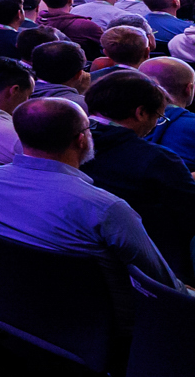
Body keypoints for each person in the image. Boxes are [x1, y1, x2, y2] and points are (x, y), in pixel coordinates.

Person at [0, 97, 181, 318]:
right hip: (94, 321)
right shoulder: (106, 208)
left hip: (5, 306)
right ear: (82, 139)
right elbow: (162, 284)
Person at [82, 69, 195, 277]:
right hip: (152, 266)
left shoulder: (62, 142)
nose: (154, 126)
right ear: (141, 112)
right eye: (158, 117)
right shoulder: (158, 160)